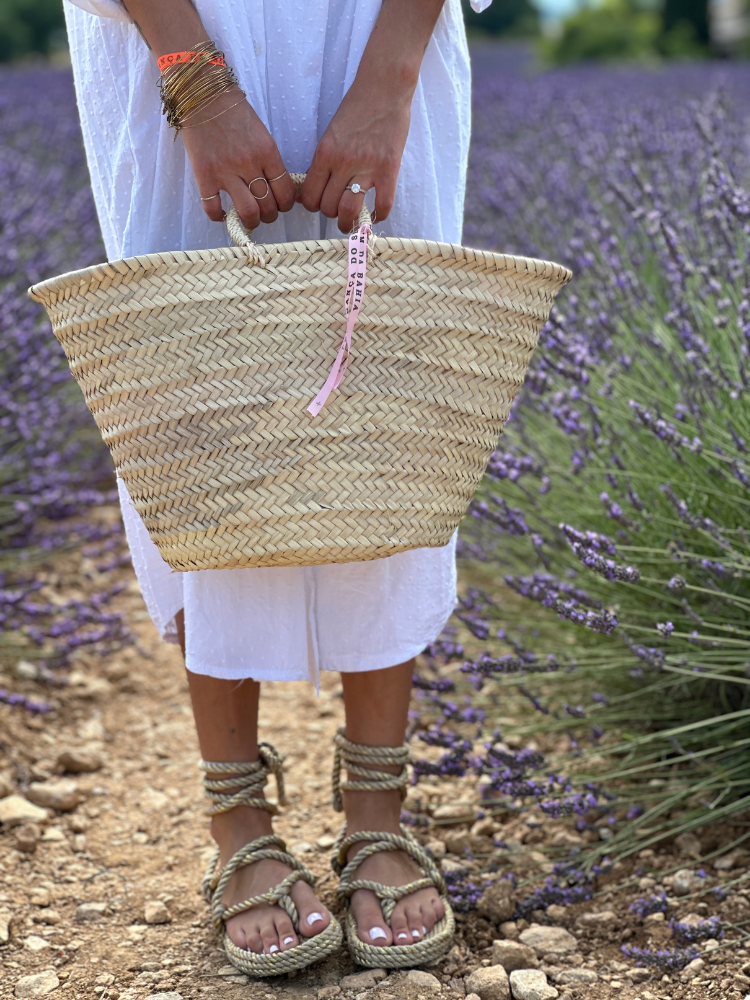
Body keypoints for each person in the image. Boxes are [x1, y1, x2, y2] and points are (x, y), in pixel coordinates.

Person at [63, 0, 491, 976]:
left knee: (387, 395)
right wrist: (193, 74)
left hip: (378, 24)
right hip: (171, 24)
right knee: (200, 409)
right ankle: (237, 821)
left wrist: (390, 78)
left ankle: (377, 813)